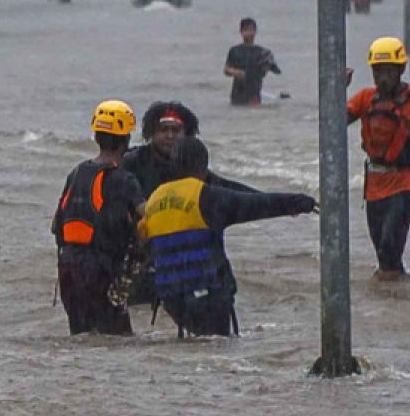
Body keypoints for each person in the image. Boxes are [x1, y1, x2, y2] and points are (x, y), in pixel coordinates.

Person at [138, 137, 317, 337]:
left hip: (173, 299)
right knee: (216, 348)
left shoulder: (154, 199)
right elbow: (257, 205)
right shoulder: (206, 196)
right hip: (208, 294)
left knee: (192, 348)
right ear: (203, 165)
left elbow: (143, 239)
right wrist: (301, 203)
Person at [119, 101, 258, 307]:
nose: (169, 136)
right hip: (138, 248)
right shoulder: (132, 161)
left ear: (187, 134)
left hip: (177, 252)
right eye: (163, 130)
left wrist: (270, 199)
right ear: (151, 133)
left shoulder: (189, 166)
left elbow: (227, 189)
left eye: (176, 130)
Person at [345, 37, 410, 281]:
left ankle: (393, 296)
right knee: (383, 254)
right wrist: (338, 89)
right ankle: (395, 298)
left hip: (404, 185)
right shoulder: (365, 99)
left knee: (389, 245)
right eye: (377, 71)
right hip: (374, 186)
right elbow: (333, 121)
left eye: (388, 70)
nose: (382, 77)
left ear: (400, 69)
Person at [51, 100, 144, 335]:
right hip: (103, 271)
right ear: (126, 140)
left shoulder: (76, 172)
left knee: (82, 337)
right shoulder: (125, 180)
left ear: (96, 137)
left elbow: (56, 226)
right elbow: (148, 220)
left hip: (69, 270)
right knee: (118, 339)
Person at [224, 18, 282, 106]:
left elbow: (276, 71)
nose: (249, 33)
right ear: (241, 32)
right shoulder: (235, 50)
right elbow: (226, 70)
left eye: (251, 30)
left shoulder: (263, 52)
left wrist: (266, 67)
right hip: (237, 93)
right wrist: (236, 72)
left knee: (253, 115)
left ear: (255, 31)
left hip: (254, 93)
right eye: (246, 30)